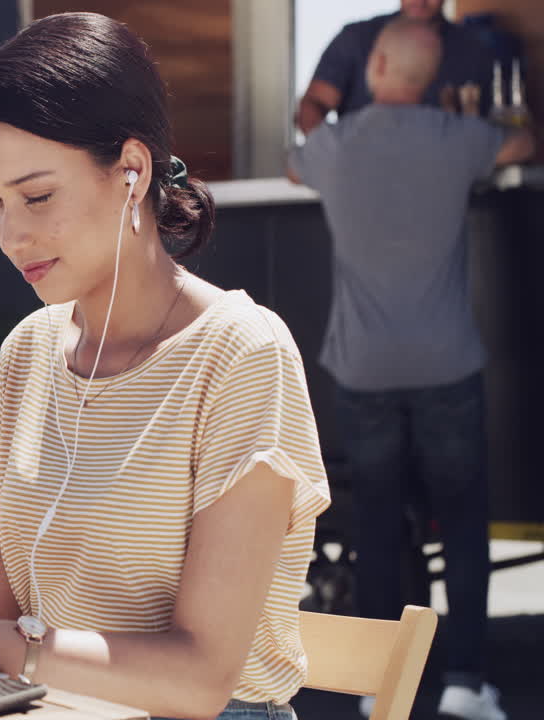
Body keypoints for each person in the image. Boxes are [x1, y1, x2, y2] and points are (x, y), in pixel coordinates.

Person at [0, 13, 330, 720]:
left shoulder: (242, 355)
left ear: (132, 171)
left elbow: (200, 680)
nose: (12, 234)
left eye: (37, 196)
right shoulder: (30, 351)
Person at [289, 18, 534, 720]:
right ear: (430, 79)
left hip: (364, 368)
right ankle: (465, 684)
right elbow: (523, 145)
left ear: (375, 68)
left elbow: (292, 163)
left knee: (374, 525)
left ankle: (377, 686)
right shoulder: (458, 139)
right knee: (462, 522)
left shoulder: (335, 146)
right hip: (446, 363)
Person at [295, 0, 491, 134]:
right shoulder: (356, 38)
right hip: (363, 169)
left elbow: (490, 127)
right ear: (379, 63)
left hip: (443, 172)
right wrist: (329, 156)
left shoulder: (473, 49)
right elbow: (313, 104)